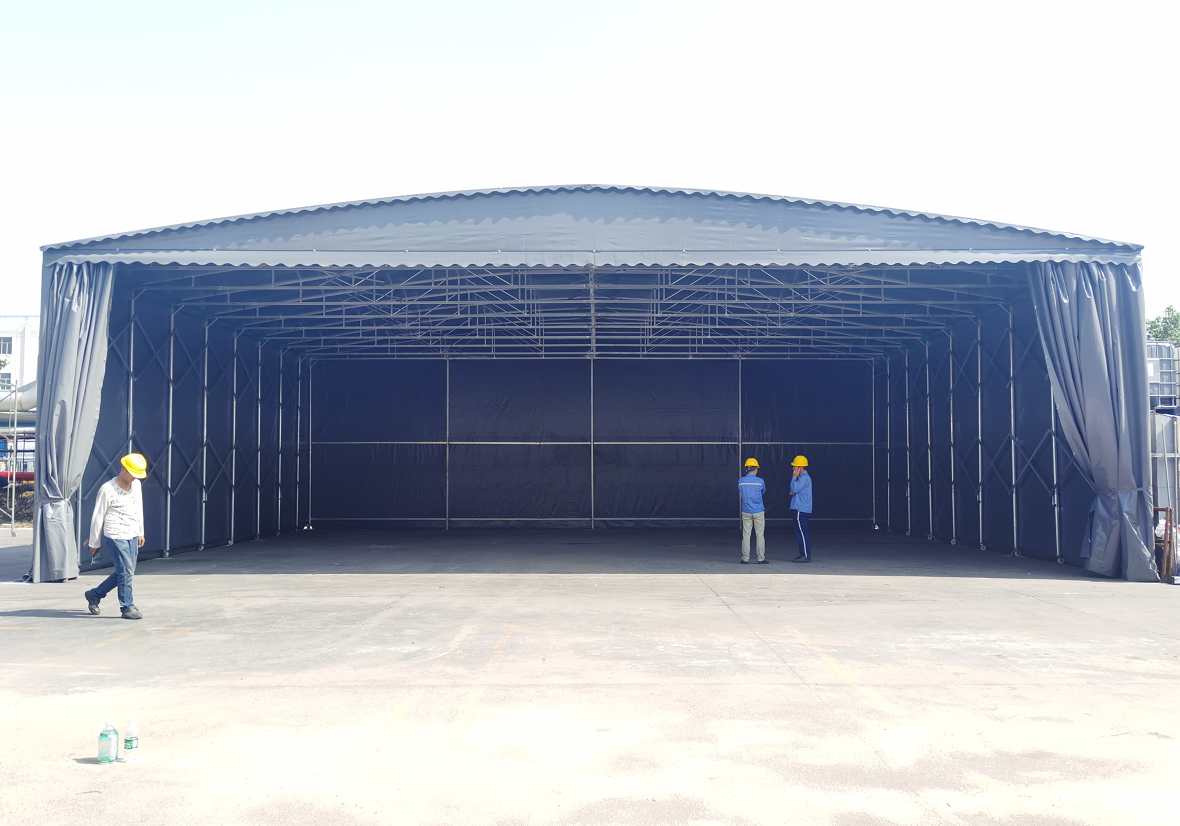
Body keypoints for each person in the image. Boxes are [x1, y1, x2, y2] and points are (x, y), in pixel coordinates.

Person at [83, 454, 148, 620]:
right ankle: (127, 606)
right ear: (123, 469)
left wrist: (140, 531)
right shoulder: (107, 489)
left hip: (132, 533)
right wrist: (94, 542)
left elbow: (138, 508)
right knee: (125, 571)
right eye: (132, 474)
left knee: (126, 571)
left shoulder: (136, 485)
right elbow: (97, 517)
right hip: (116, 534)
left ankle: (95, 594)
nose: (134, 478)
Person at [738, 458, 768, 564]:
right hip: (758, 511)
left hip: (746, 511)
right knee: (760, 535)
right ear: (756, 469)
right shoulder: (760, 481)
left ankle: (745, 558)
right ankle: (761, 558)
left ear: (746, 470)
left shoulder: (741, 481)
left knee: (746, 535)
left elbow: (740, 492)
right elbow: (763, 492)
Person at [789, 455, 813, 563]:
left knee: (802, 533)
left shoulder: (803, 478)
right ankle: (803, 553)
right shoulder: (804, 478)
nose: (793, 469)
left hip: (800, 509)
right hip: (802, 509)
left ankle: (806, 555)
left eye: (794, 467)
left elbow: (794, 489)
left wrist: (794, 478)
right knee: (801, 532)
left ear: (800, 468)